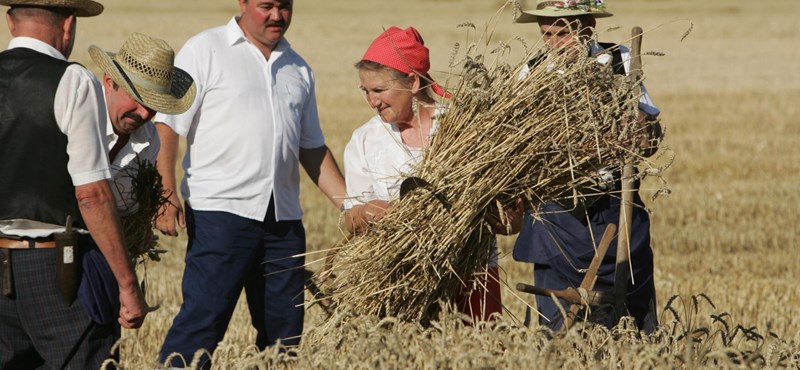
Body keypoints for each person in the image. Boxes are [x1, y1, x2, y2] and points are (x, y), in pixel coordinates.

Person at [153, 0, 346, 367]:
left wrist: (350, 205)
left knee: (284, 335)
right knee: (201, 325)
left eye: (285, 6)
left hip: (284, 222)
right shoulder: (203, 49)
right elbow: (169, 125)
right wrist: (165, 193)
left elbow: (312, 148)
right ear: (242, 3)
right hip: (219, 215)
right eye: (266, 6)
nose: (277, 15)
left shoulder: (299, 68)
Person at [0, 0, 151, 368]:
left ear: (9, 22)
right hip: (58, 268)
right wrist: (128, 286)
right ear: (68, 25)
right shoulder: (72, 80)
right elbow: (91, 196)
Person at [342, 26, 524, 323]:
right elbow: (349, 218)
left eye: (379, 90)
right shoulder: (365, 140)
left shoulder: (465, 131)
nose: (372, 101)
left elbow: (510, 222)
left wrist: (509, 221)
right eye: (366, 91)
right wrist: (366, 212)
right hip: (398, 281)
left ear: (412, 81)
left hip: (471, 276)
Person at [514, 0, 662, 333]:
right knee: (555, 328)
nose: (553, 43)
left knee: (631, 322)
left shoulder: (621, 60)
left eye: (562, 33)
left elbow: (649, 138)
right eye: (546, 33)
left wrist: (637, 131)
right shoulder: (531, 72)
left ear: (587, 28)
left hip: (615, 207)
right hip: (555, 216)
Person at [77, 32, 196, 326]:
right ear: (108, 82)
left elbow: (130, 206)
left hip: (106, 260)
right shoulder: (78, 121)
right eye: (137, 98)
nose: (144, 113)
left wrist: (138, 231)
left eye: (153, 104)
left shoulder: (149, 139)